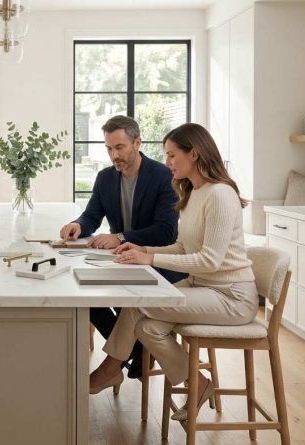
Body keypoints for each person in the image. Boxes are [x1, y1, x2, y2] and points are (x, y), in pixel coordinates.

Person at [88, 123, 257, 422]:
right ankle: (198, 383)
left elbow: (210, 261)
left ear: (194, 154)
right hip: (203, 289)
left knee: (139, 303)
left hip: (232, 296)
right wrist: (143, 254)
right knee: (147, 327)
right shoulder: (194, 192)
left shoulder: (220, 195)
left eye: (171, 155)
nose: (166, 163)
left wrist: (150, 259)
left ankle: (109, 370)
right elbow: (182, 246)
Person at [59, 115, 186, 378]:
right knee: (85, 299)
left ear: (137, 143)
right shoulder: (105, 177)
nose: (113, 155)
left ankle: (121, 358)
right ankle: (135, 350)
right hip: (122, 261)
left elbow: (165, 231)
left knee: (130, 304)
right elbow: (92, 215)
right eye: (108, 148)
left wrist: (120, 237)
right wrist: (78, 225)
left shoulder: (164, 176)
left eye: (119, 147)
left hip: (158, 263)